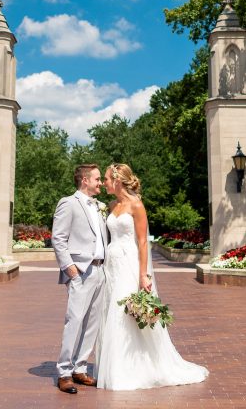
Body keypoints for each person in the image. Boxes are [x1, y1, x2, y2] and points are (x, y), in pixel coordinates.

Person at [94, 163, 208, 390]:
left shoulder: (136, 205)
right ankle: (115, 366)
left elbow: (143, 241)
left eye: (106, 179)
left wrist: (144, 275)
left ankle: (132, 368)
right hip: (111, 265)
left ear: (117, 180)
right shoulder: (111, 205)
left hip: (129, 263)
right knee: (111, 311)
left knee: (126, 312)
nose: (104, 183)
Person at [52, 163, 108, 395]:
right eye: (97, 179)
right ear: (85, 180)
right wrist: (71, 270)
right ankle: (64, 372)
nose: (100, 183)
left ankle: (80, 368)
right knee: (74, 321)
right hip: (81, 271)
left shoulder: (101, 206)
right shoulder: (68, 203)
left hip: (101, 271)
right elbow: (58, 238)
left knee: (92, 324)